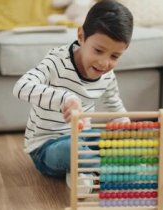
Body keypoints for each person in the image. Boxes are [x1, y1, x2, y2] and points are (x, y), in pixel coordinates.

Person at [13, 0, 133, 191]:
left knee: (113, 137)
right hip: (46, 146)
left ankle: (83, 171)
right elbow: (21, 86)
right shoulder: (56, 61)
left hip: (82, 136)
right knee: (72, 148)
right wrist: (65, 98)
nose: (104, 63)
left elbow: (115, 106)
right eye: (99, 51)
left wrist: (126, 132)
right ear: (81, 36)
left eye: (114, 57)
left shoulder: (107, 75)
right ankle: (111, 170)